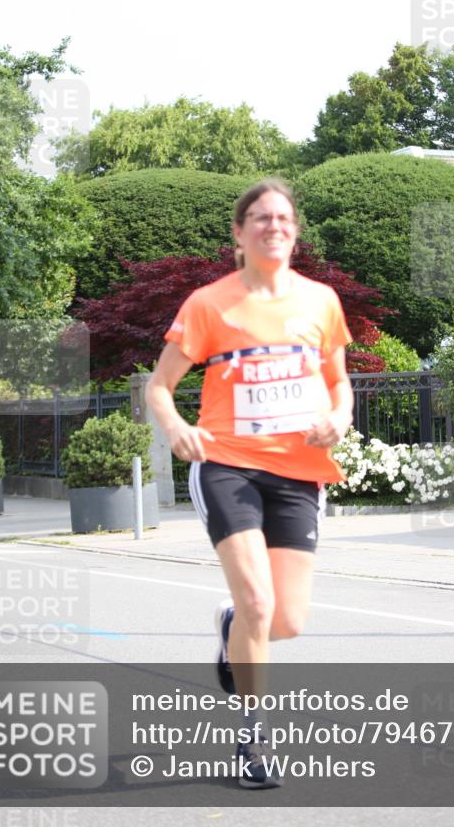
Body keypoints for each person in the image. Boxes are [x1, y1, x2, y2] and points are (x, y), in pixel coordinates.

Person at [145, 178, 353, 789]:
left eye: (283, 217)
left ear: (295, 230)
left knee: (285, 621)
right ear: (239, 233)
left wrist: (338, 419)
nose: (273, 226)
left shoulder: (321, 302)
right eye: (260, 218)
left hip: (299, 471)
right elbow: (159, 386)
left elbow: (339, 384)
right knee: (261, 605)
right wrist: (178, 427)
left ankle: (232, 622)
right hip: (227, 464)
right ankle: (254, 736)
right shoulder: (210, 304)